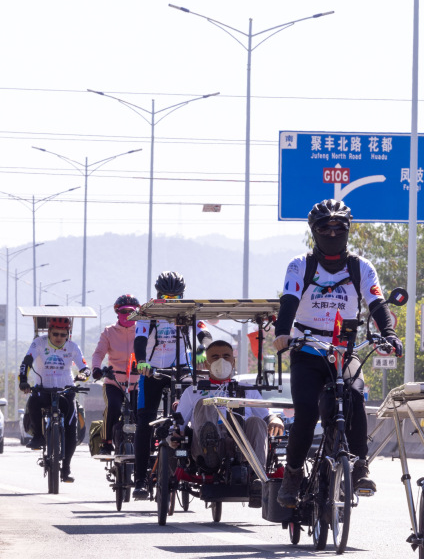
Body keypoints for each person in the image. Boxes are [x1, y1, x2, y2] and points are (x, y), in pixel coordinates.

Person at [272, 199, 403, 508]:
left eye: (339, 227)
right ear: (314, 232)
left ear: (347, 230)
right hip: (307, 350)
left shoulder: (361, 267)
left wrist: (390, 335)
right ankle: (291, 476)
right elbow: (289, 300)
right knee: (306, 412)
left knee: (356, 397)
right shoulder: (299, 265)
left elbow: (377, 304)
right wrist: (282, 333)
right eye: (324, 228)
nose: (332, 233)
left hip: (344, 350)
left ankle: (360, 465)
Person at [168, 340, 284, 472]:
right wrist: (173, 436)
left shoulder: (247, 388)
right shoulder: (193, 391)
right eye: (215, 357)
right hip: (204, 447)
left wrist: (275, 419)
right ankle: (211, 450)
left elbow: (266, 416)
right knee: (206, 403)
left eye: (226, 356)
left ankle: (258, 475)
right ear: (207, 364)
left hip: (241, 443)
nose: (221, 361)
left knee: (256, 422)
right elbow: (177, 426)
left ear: (233, 362)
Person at [132, 271, 191, 499]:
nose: (170, 302)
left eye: (175, 297)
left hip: (181, 371)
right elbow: (140, 339)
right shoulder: (148, 312)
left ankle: (189, 462)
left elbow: (203, 333)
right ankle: (139, 481)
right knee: (144, 423)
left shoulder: (188, 311)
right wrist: (141, 361)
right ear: (157, 295)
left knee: (190, 415)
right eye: (166, 296)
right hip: (153, 371)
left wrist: (200, 351)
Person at [18, 316, 91, 482]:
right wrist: (23, 380)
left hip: (66, 389)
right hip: (43, 388)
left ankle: (66, 469)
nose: (59, 338)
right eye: (55, 334)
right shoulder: (39, 343)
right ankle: (38, 436)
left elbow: (85, 368)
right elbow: (27, 362)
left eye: (63, 335)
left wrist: (82, 375)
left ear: (68, 335)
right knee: (34, 402)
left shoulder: (73, 347)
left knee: (71, 430)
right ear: (49, 332)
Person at [91, 294, 141, 455]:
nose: (128, 315)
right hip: (114, 383)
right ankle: (106, 443)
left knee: (141, 413)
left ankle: (143, 444)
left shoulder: (142, 331)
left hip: (136, 384)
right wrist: (96, 369)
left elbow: (152, 352)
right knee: (113, 407)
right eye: (124, 312)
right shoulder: (109, 332)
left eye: (132, 312)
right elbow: (98, 353)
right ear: (117, 313)